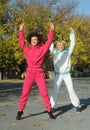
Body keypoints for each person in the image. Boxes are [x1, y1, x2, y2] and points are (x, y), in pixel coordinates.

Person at [16, 23, 55, 120]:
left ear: (38, 41)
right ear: (30, 41)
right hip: (29, 72)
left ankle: (49, 110)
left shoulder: (42, 49)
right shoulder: (27, 49)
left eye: (35, 39)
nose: (34, 41)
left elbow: (49, 41)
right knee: (25, 93)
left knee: (44, 93)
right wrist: (21, 31)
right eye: (32, 40)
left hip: (39, 72)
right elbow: (22, 42)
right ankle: (20, 111)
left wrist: (51, 30)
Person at [50, 27, 81, 113]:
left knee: (71, 89)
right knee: (55, 90)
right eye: (59, 45)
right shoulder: (54, 52)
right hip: (58, 74)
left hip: (67, 74)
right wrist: (51, 31)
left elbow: (73, 43)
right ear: (57, 46)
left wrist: (72, 33)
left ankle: (77, 105)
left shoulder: (67, 52)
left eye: (62, 45)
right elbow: (49, 43)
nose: (60, 46)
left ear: (64, 46)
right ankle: (51, 106)